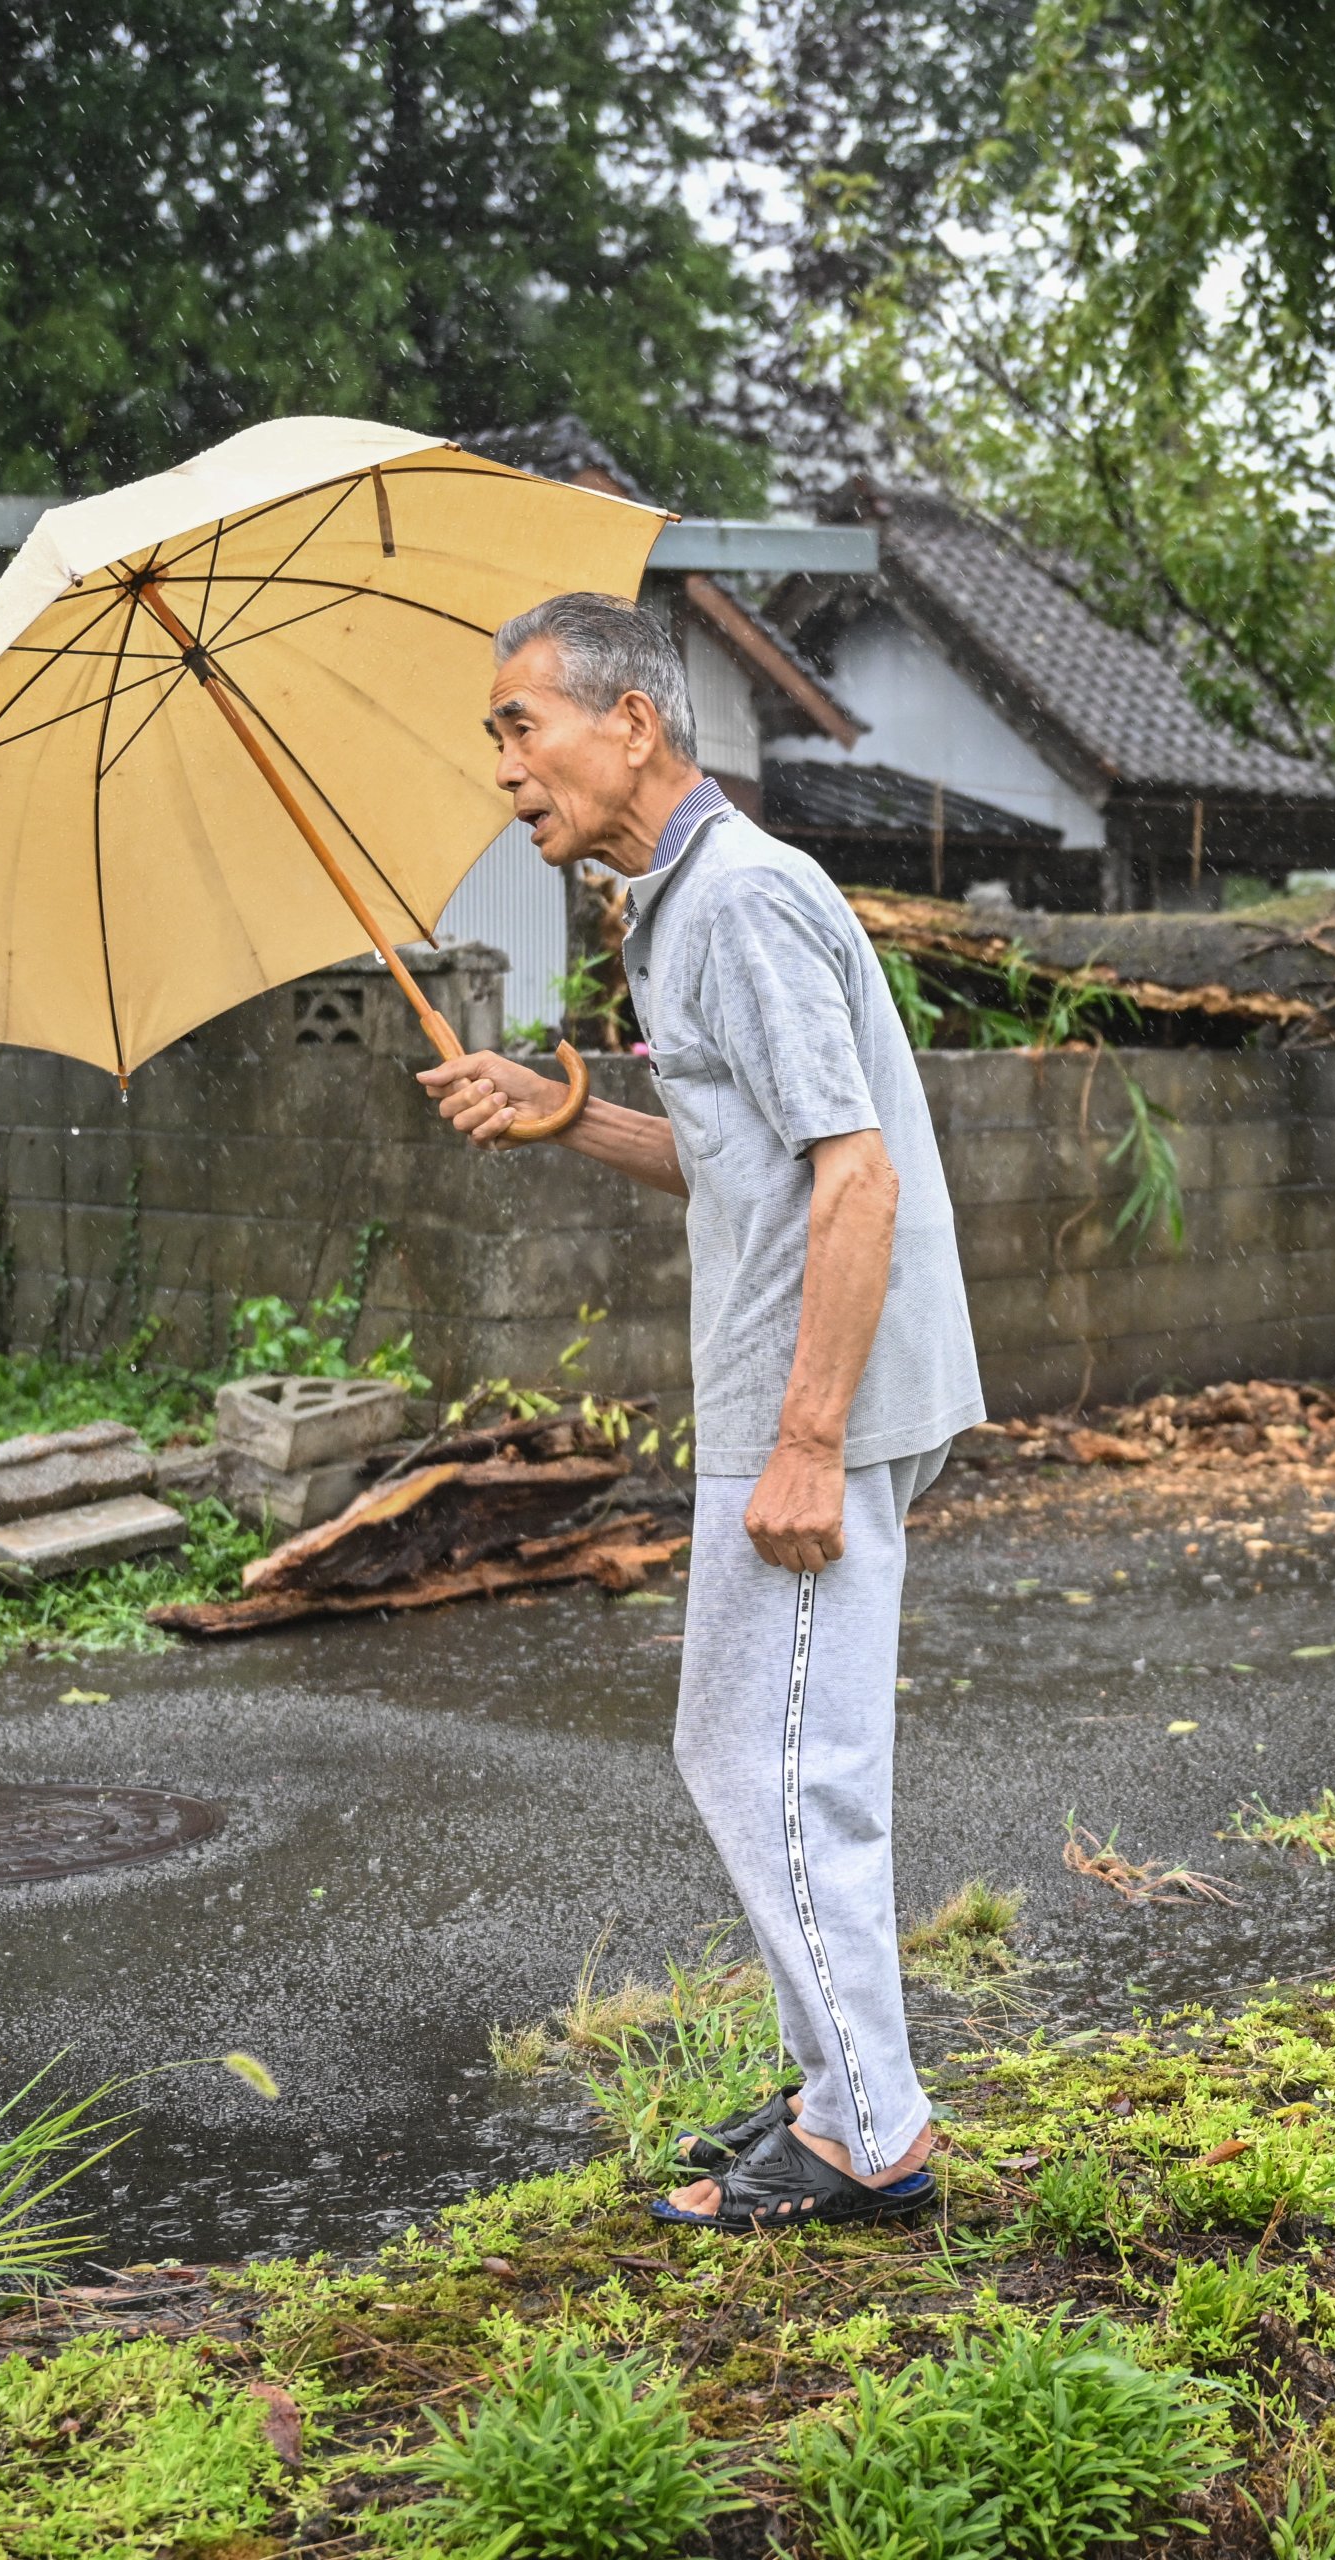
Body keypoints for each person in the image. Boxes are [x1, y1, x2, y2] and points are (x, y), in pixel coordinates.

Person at [423, 592, 985, 2231]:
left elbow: (856, 1174)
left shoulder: (737, 902)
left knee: (774, 1762)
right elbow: (735, 1150)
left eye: (522, 725)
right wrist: (566, 1110)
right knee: (756, 1748)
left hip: (819, 1402)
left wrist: (807, 1442)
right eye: (495, 739)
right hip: (787, 1386)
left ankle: (871, 2139)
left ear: (635, 725)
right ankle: (835, 2089)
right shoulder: (671, 910)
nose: (505, 769)